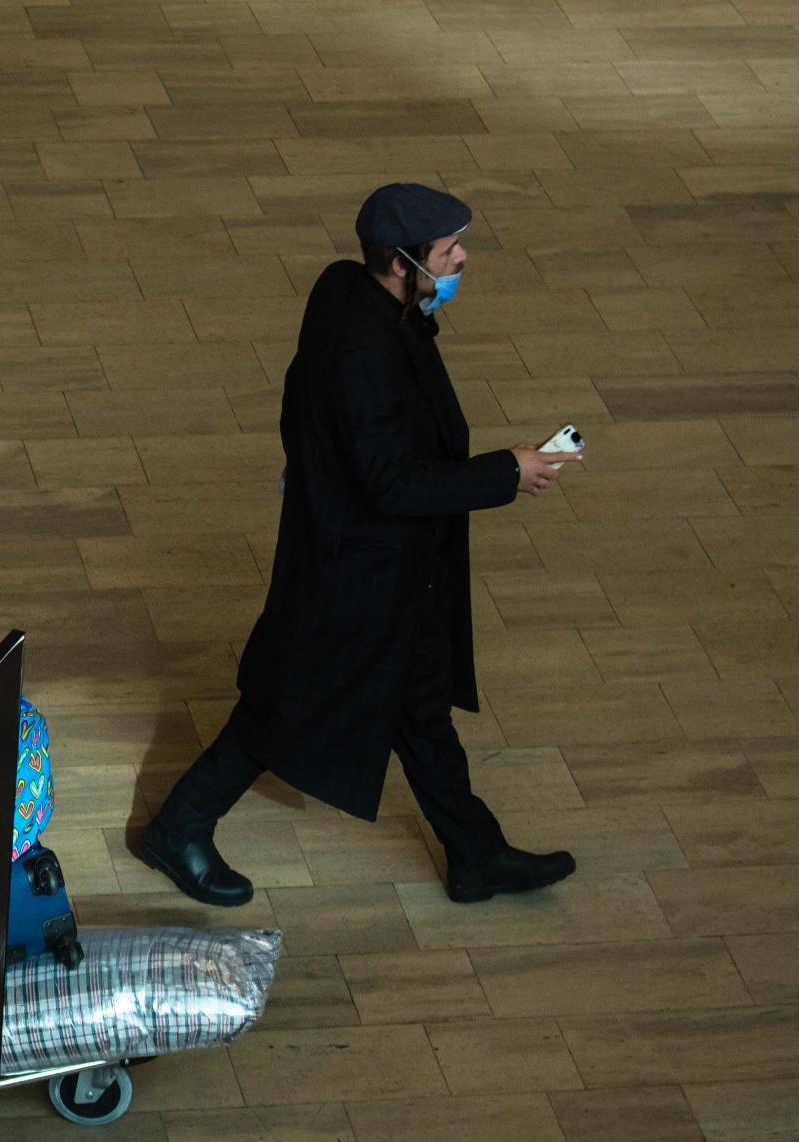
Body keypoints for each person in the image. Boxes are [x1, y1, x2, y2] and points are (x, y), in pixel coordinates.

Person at [137, 183, 584, 908]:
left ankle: (476, 854)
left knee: (421, 713)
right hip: (357, 575)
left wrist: (307, 457)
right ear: (405, 264)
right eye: (449, 251)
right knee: (278, 713)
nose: (463, 257)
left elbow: (299, 392)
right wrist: (509, 471)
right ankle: (177, 828)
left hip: (396, 574)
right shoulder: (364, 354)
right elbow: (395, 484)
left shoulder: (345, 288)